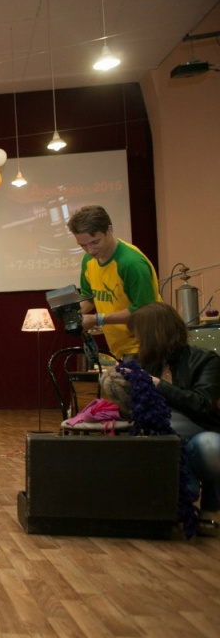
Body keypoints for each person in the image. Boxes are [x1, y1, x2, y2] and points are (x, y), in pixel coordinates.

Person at [128, 302, 220, 536]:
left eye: (140, 336)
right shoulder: (143, 363)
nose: (136, 341)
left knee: (211, 447)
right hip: (163, 440)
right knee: (184, 493)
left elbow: (202, 403)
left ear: (154, 334)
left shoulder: (206, 360)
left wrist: (159, 385)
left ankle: (212, 506)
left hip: (201, 432)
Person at [68, 205, 161, 359]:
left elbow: (145, 311)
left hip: (146, 345)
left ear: (109, 230)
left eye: (95, 242)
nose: (90, 250)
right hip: (120, 346)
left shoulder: (131, 263)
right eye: (83, 245)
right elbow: (89, 298)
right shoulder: (89, 260)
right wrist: (72, 313)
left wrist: (97, 319)